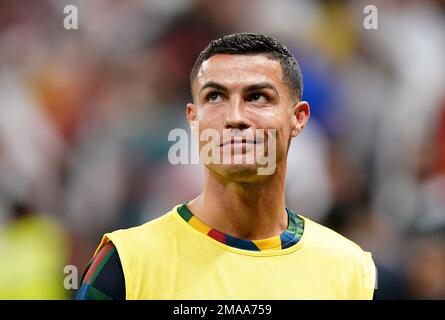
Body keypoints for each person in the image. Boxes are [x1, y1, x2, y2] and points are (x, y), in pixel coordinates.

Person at [76, 32, 376, 300]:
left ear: (297, 118)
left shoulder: (351, 274)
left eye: (257, 97)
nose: (235, 117)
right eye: (215, 97)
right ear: (193, 119)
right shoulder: (126, 265)